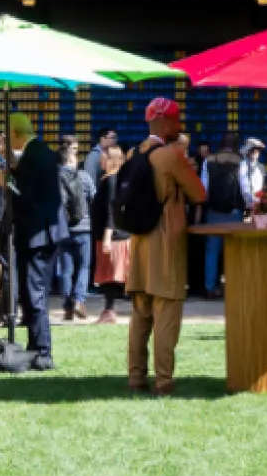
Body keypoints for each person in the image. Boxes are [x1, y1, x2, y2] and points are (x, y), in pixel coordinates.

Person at [125, 99, 206, 395]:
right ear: (164, 122)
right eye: (176, 120)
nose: (180, 125)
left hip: (139, 245)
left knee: (140, 317)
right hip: (166, 245)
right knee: (166, 315)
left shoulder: (133, 153)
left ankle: (136, 378)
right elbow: (199, 193)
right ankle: (163, 381)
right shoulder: (171, 156)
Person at [0, 112, 68, 370]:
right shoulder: (42, 151)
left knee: (33, 294)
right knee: (37, 293)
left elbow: (23, 195)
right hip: (49, 232)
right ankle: (37, 347)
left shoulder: (31, 156)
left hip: (37, 234)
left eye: (6, 137)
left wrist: (6, 182)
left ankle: (42, 352)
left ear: (14, 133)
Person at [201, 133, 244, 299]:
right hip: (234, 212)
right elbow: (245, 188)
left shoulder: (209, 160)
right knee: (234, 251)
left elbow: (204, 188)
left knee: (212, 251)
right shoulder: (241, 161)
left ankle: (210, 288)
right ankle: (234, 286)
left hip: (214, 211)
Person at [57, 135, 96, 321]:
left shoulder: (54, 178)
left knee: (66, 270)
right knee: (83, 267)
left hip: (63, 230)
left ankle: (67, 307)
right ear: (72, 159)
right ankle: (79, 301)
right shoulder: (84, 177)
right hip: (83, 228)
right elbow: (94, 200)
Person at [92, 145, 129, 325]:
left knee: (112, 275)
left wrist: (107, 236)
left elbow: (110, 210)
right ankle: (109, 310)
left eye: (104, 156)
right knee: (110, 275)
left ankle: (109, 310)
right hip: (109, 235)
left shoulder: (112, 180)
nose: (100, 159)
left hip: (113, 237)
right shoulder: (109, 179)